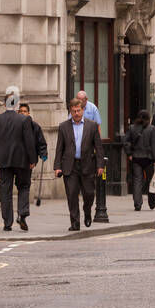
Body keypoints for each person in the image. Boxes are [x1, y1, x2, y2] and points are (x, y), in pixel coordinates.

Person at [54, 98, 106, 231]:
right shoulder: (63, 127)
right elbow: (59, 148)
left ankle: (87, 211)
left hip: (87, 165)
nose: (76, 113)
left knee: (89, 193)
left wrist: (100, 165)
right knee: (72, 195)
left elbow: (98, 147)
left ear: (83, 110)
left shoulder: (92, 126)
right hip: (70, 166)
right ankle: (75, 223)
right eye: (74, 111)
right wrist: (57, 166)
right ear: (70, 111)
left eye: (78, 110)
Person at [0, 103, 37, 232]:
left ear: (5, 105)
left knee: (5, 191)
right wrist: (32, 159)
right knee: (24, 187)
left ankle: (7, 222)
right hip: (22, 160)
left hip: (3, 160)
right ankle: (22, 214)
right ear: (16, 105)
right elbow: (29, 140)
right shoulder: (24, 119)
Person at [123, 110, 155, 211]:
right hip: (148, 158)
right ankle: (152, 203)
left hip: (136, 158)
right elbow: (154, 145)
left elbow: (125, 141)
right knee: (151, 182)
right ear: (148, 118)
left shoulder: (132, 128)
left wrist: (129, 154)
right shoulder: (152, 129)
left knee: (137, 181)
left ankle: (137, 204)